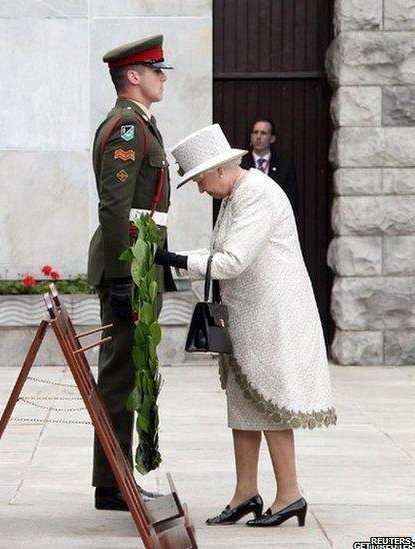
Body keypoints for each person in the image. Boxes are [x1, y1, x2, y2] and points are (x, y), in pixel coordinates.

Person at [156, 123, 336, 527]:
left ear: (220, 169)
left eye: (200, 180)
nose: (201, 189)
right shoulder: (238, 194)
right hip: (247, 317)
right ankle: (245, 493)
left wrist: (176, 262)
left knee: (269, 402)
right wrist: (176, 256)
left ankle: (290, 495)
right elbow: (220, 252)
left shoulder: (256, 194)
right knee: (242, 403)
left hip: (271, 317)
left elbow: (233, 261)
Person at [87, 34, 176, 512]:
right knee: (123, 372)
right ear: (133, 77)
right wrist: (123, 276)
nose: (163, 77)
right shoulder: (126, 127)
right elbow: (115, 206)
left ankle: (116, 478)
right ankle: (114, 482)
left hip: (142, 258)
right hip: (129, 263)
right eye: (156, 70)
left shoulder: (140, 124)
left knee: (130, 367)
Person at [214, 119, 299, 224]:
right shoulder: (239, 164)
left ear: (272, 138)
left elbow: (291, 198)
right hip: (245, 221)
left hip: (274, 222)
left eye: (263, 133)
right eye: (255, 132)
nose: (258, 137)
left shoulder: (284, 166)